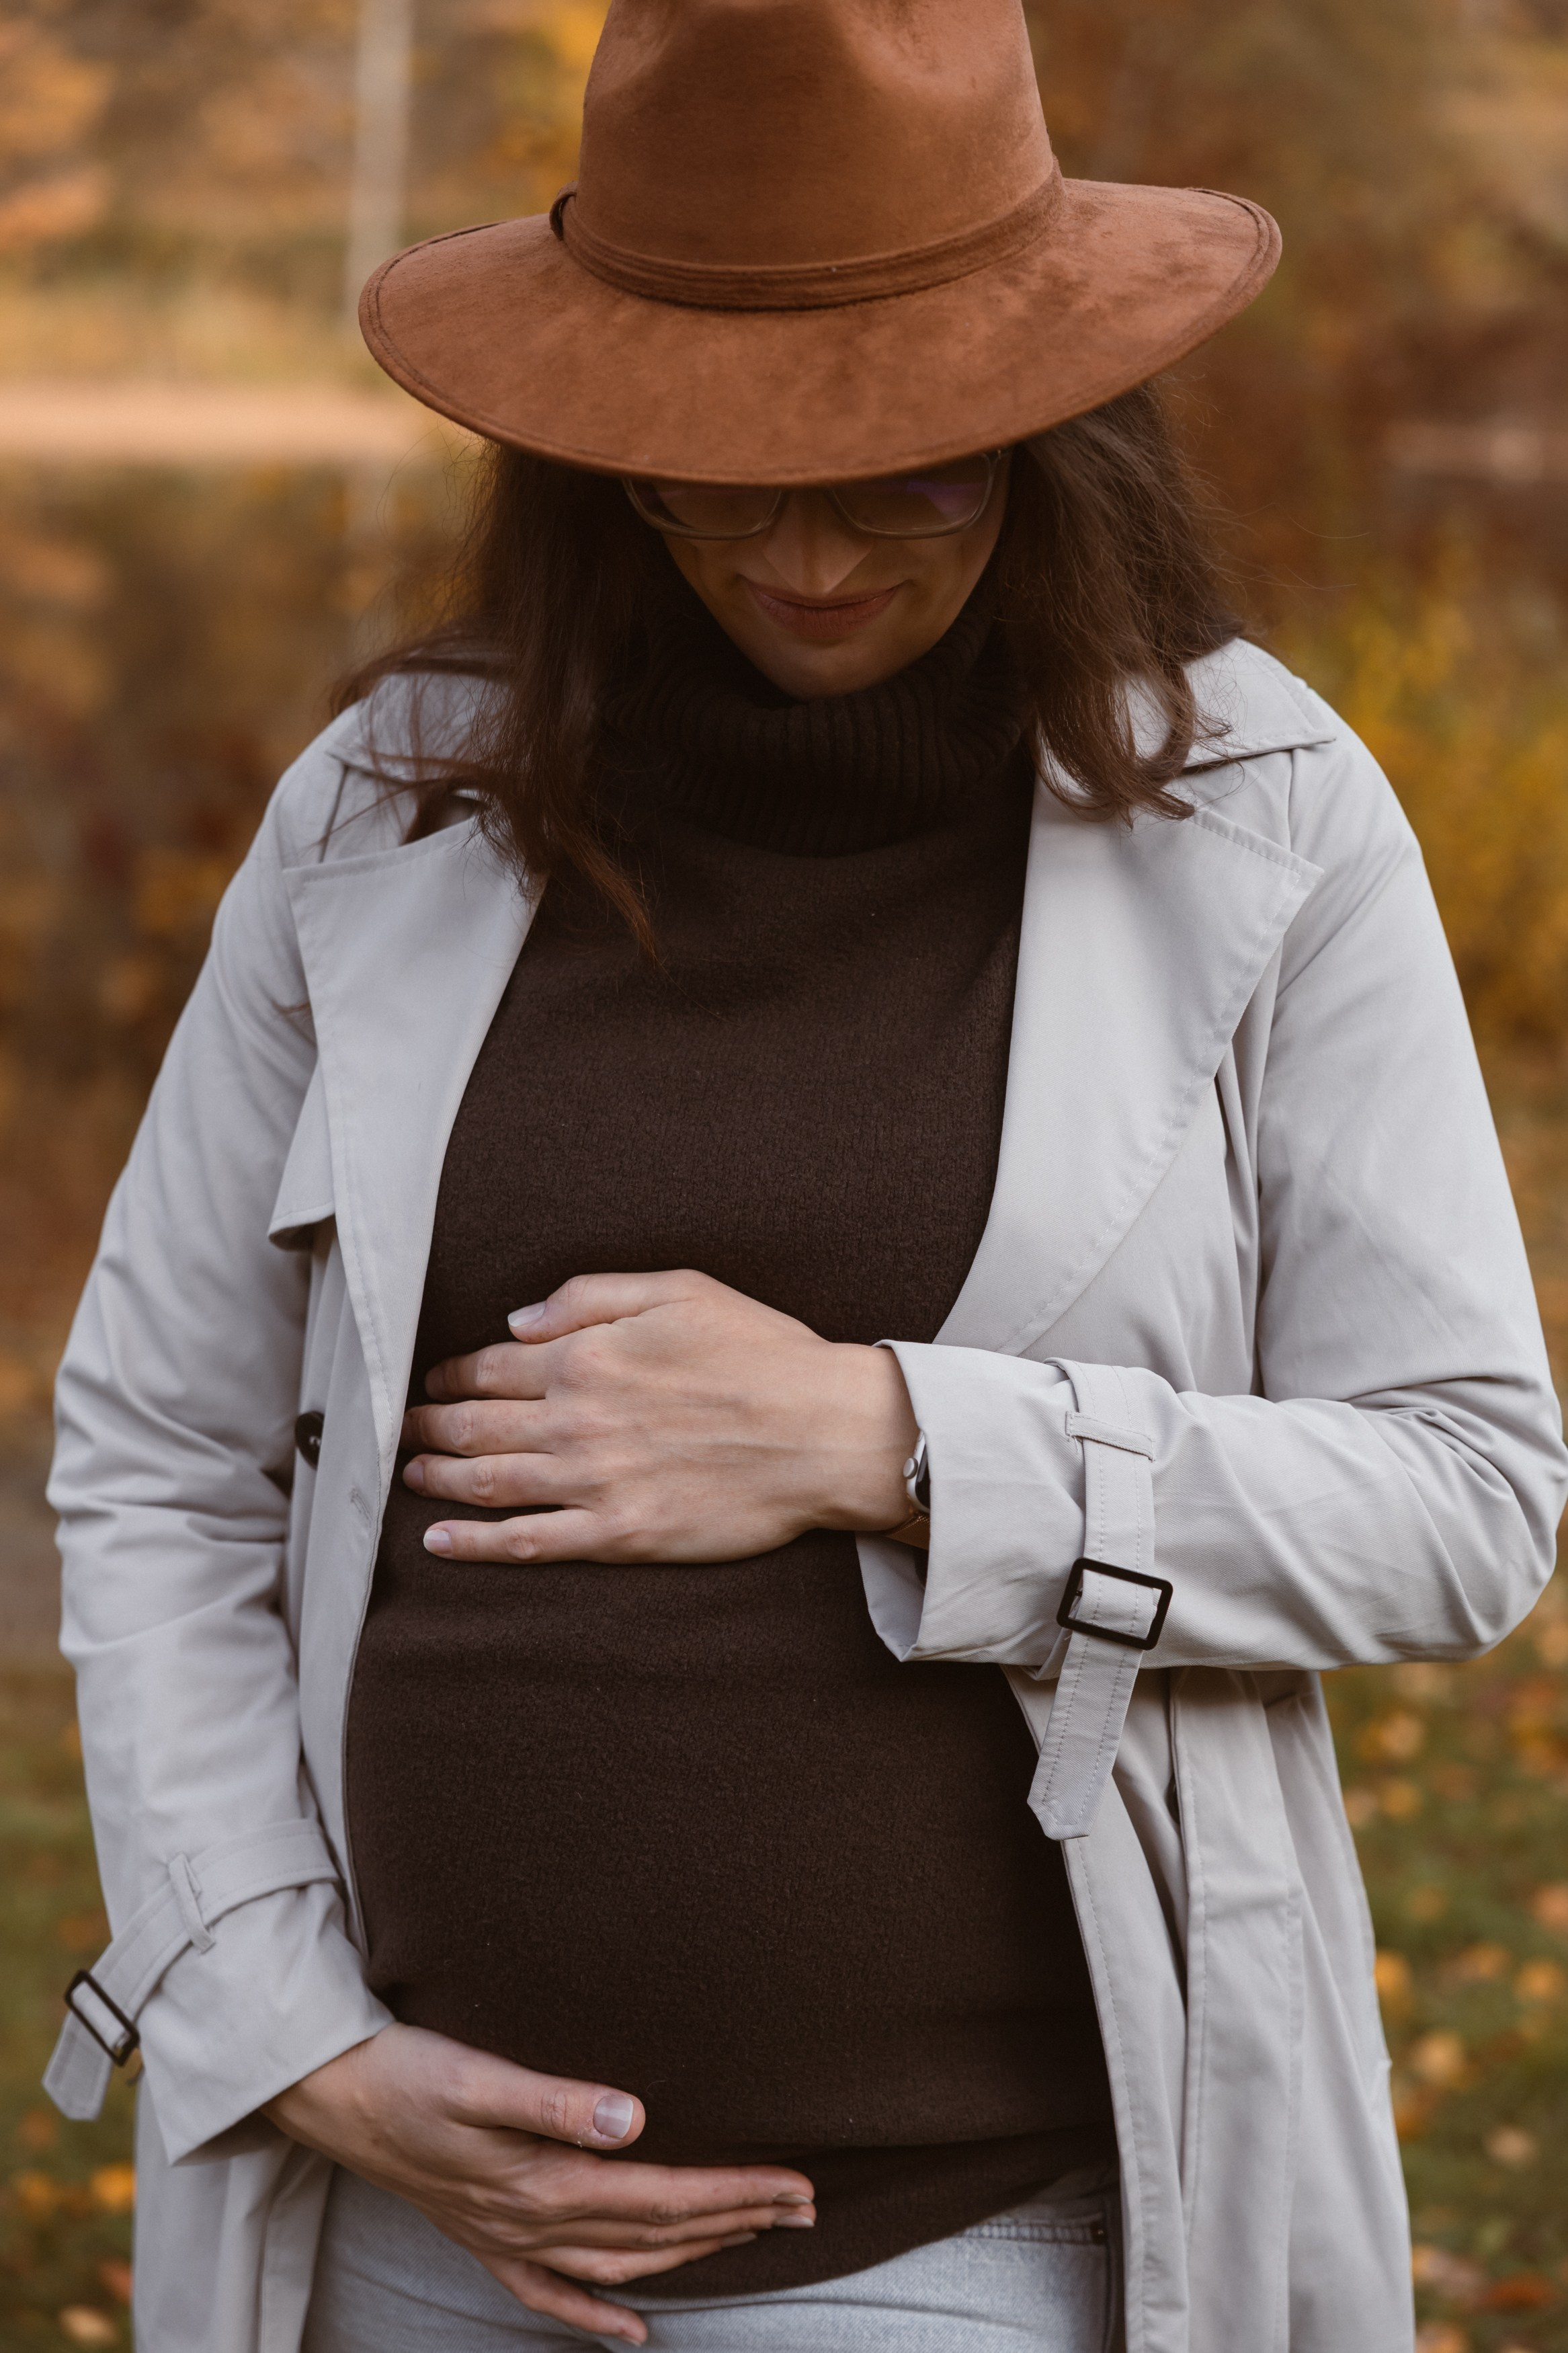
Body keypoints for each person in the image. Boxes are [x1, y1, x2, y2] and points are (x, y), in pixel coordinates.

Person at [42, 3, 1566, 2349]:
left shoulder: (1260, 817)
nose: (812, 554)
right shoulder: (388, 807)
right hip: (390, 2225)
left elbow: (1461, 1496)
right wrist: (284, 2026)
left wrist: (883, 1434)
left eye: (912, 473)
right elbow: (158, 1451)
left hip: (958, 2248)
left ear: (1055, 436)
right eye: (712, 471)